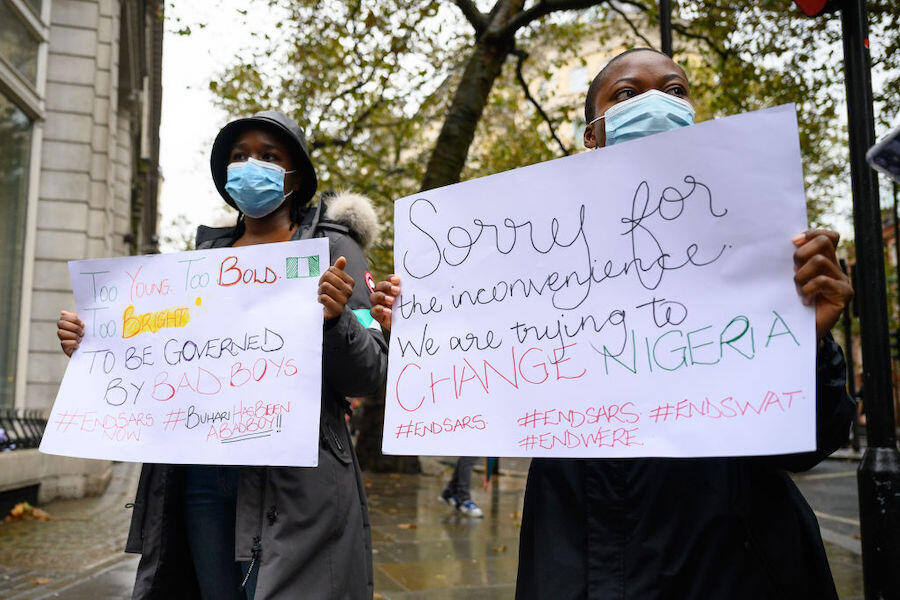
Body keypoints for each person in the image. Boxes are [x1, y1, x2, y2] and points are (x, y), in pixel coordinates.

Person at [370, 48, 855, 600]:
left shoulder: (757, 244)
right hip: (577, 553)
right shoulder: (527, 254)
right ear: (592, 135)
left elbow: (809, 449)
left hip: (731, 565)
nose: (655, 103)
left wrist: (809, 339)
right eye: (626, 94)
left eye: (675, 91)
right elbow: (483, 384)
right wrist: (424, 331)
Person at [56, 110, 387, 599]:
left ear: (296, 177)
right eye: (239, 156)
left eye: (269, 156)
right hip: (201, 481)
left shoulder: (331, 250)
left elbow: (371, 373)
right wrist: (96, 345)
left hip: (300, 480)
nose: (252, 165)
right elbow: (160, 367)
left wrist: (336, 321)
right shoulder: (198, 265)